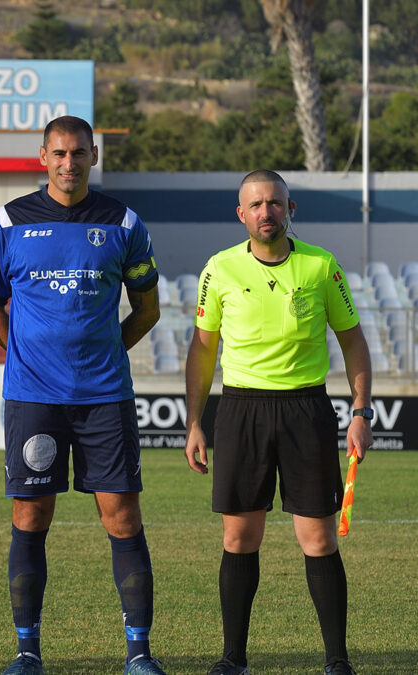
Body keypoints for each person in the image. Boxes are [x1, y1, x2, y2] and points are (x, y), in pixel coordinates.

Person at [0, 115, 166, 675]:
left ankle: (138, 654)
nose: (69, 163)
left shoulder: (123, 222)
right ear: (42, 156)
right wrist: (25, 353)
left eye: (79, 153)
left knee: (122, 516)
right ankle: (27, 652)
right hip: (34, 398)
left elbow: (147, 308)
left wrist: (109, 350)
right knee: (31, 516)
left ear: (93, 156)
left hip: (105, 397)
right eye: (59, 153)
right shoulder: (9, 222)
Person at [184, 170, 372, 675]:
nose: (266, 212)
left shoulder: (321, 266)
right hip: (242, 410)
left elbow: (353, 341)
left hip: (306, 410)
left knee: (319, 540)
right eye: (255, 204)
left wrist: (360, 412)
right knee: (239, 540)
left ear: (291, 209)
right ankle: (233, 659)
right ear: (240, 214)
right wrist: (195, 422)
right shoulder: (218, 269)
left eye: (274, 203)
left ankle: (337, 660)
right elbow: (203, 351)